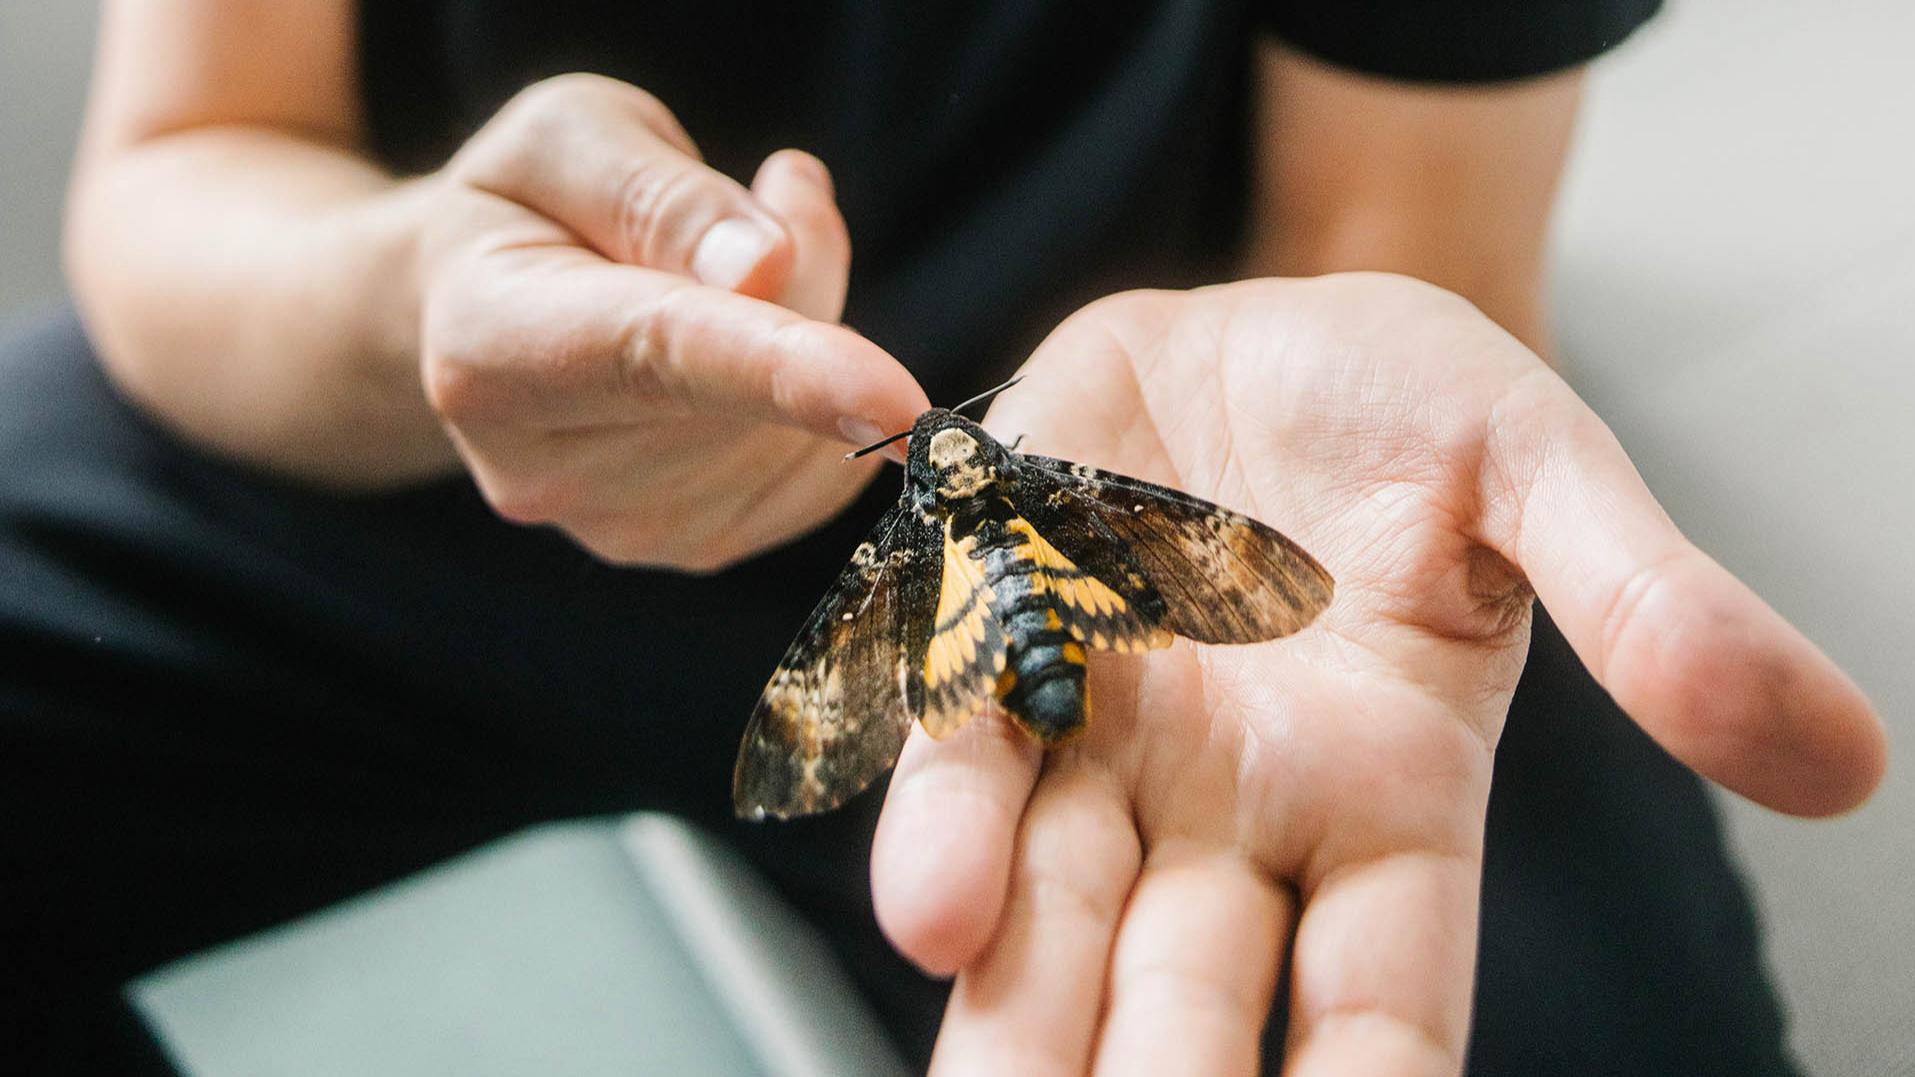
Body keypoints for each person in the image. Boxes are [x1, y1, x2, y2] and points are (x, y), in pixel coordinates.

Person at [1, 1, 1883, 1074]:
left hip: (1210, 405)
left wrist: (1354, 371)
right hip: (405, 398)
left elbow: (1397, 221)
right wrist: (421, 298)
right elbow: (187, 156)